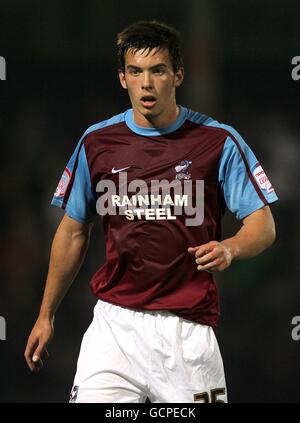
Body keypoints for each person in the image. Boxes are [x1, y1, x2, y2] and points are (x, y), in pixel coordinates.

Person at [24, 20, 278, 403]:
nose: (146, 83)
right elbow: (74, 229)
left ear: (177, 74)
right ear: (122, 78)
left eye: (157, 70)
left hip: (187, 333)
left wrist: (231, 248)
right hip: (114, 328)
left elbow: (263, 223)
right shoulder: (97, 142)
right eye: (135, 71)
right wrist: (46, 314)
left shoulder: (218, 141)